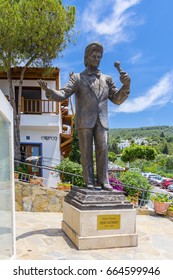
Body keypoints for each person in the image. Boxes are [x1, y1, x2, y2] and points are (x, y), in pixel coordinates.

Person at [38, 42, 130, 191]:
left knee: (103, 149)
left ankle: (104, 181)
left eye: (99, 57)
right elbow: (63, 94)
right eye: (94, 56)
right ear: (86, 58)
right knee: (86, 151)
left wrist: (126, 86)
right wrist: (49, 91)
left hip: (102, 121)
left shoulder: (107, 79)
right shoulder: (77, 78)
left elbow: (117, 100)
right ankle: (89, 182)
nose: (97, 59)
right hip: (84, 121)